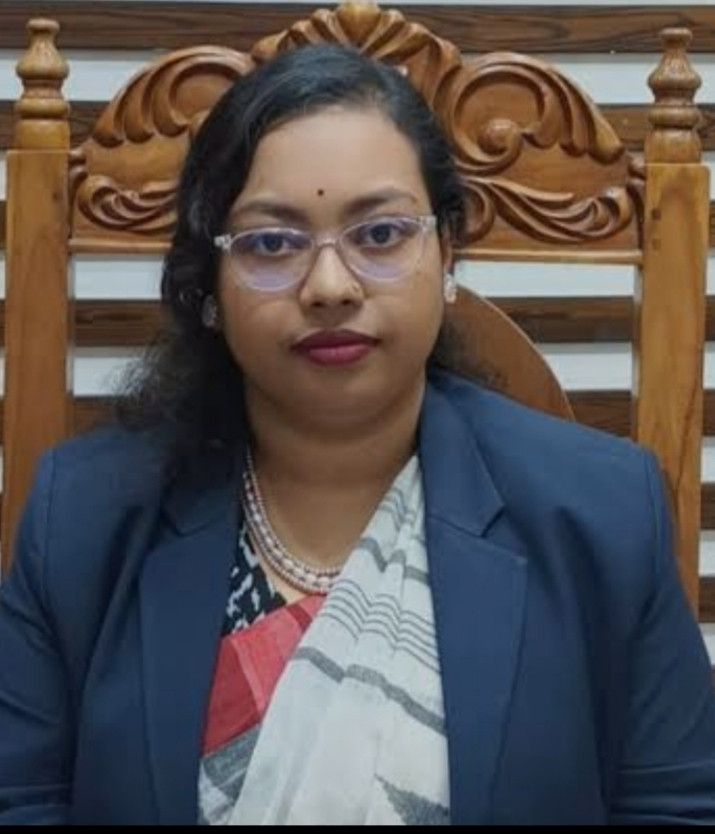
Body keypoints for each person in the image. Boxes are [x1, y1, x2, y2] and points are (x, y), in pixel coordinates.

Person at [1, 41, 715, 827]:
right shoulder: (85, 519)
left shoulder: (602, 514)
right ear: (209, 285)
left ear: (446, 252)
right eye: (271, 243)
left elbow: (676, 809)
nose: (330, 286)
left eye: (379, 235)